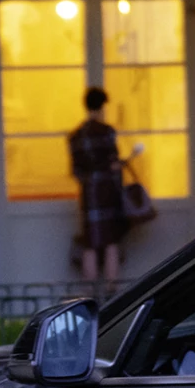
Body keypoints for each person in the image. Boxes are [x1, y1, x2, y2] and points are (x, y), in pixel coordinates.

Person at [68, 87, 128, 292]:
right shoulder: (107, 132)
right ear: (102, 106)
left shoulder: (75, 136)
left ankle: (89, 291)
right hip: (107, 190)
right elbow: (113, 164)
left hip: (88, 191)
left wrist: (88, 178)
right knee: (111, 241)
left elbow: (75, 171)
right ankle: (112, 289)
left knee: (90, 242)